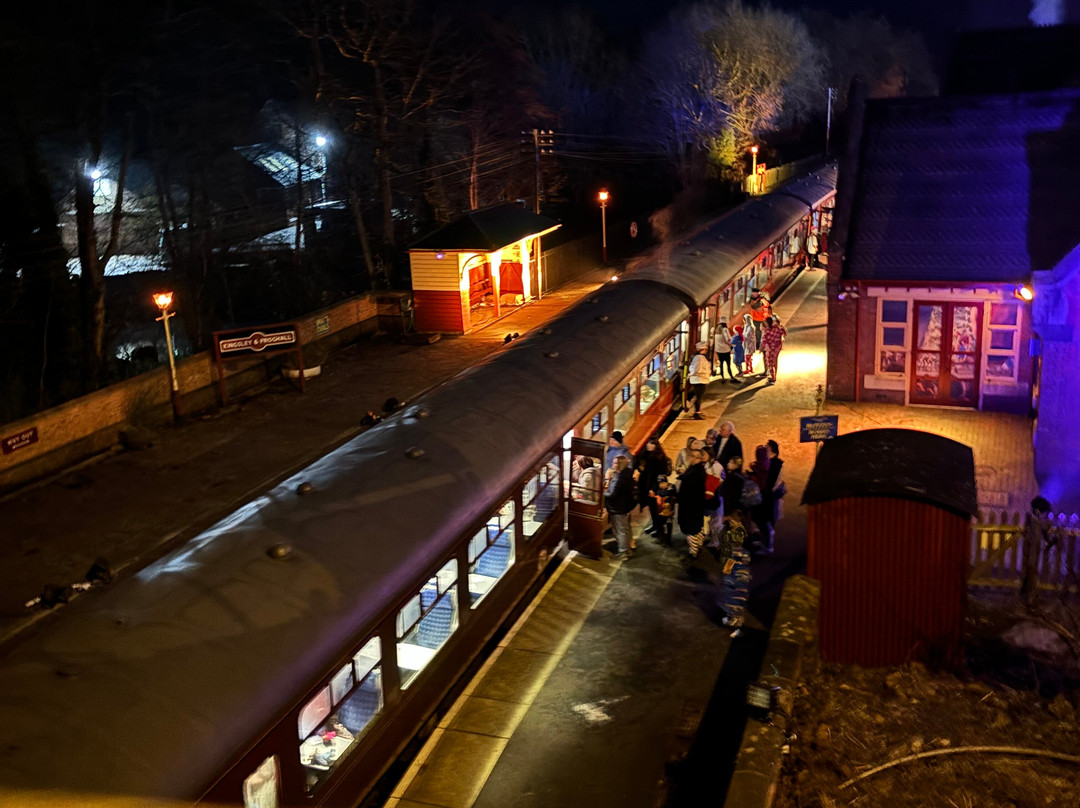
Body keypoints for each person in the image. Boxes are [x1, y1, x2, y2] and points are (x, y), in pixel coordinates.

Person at [1021, 496, 1055, 606]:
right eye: (1044, 513)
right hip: (1032, 556)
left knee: (1030, 575)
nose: (1046, 516)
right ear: (1038, 511)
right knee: (1032, 576)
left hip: (1032, 555)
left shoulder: (1032, 520)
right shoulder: (1035, 522)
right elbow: (1043, 527)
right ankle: (1029, 600)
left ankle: (1027, 598)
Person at [635, 437, 671, 533]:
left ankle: (659, 529)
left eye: (651, 444)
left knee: (656, 508)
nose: (648, 445)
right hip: (648, 486)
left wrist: (652, 489)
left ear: (656, 445)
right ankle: (656, 526)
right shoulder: (646, 455)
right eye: (647, 443)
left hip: (654, 487)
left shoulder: (658, 458)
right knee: (652, 508)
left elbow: (658, 476)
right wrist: (640, 468)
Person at [677, 449, 708, 557]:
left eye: (694, 457)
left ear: (699, 459)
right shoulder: (698, 470)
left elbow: (689, 490)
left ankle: (694, 551)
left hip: (690, 506)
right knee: (697, 528)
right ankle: (699, 544)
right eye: (691, 456)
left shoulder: (695, 473)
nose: (691, 458)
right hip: (696, 506)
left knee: (690, 529)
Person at [605, 455, 636, 558]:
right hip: (623, 507)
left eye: (615, 463)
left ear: (620, 464)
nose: (613, 465)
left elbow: (612, 494)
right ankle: (625, 548)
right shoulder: (625, 475)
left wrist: (603, 492)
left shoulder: (620, 478)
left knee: (621, 530)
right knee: (624, 529)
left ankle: (623, 551)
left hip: (618, 508)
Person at [748, 445, 773, 551]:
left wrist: (752, 477)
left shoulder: (763, 466)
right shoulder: (765, 463)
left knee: (762, 522)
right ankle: (764, 540)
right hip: (762, 498)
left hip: (761, 498)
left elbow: (760, 481)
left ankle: (767, 545)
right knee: (761, 521)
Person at [686, 341, 712, 420]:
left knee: (697, 394)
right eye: (705, 348)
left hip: (699, 379)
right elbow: (697, 369)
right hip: (700, 379)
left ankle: (688, 400)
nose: (706, 350)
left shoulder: (697, 357)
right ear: (702, 349)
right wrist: (690, 375)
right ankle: (697, 413)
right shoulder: (700, 358)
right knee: (699, 397)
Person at [760, 316, 788, 384]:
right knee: (775, 361)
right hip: (777, 347)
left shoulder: (766, 331)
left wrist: (761, 348)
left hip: (770, 349)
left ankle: (773, 377)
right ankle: (775, 376)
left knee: (770, 362)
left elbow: (764, 341)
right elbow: (784, 331)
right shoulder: (777, 328)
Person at [651, 475, 677, 545]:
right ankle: (661, 536)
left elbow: (671, 493)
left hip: (669, 511)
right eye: (659, 483)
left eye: (663, 483)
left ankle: (668, 539)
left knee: (668, 523)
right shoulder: (659, 489)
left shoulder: (671, 487)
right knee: (659, 523)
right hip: (660, 510)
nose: (661, 485)